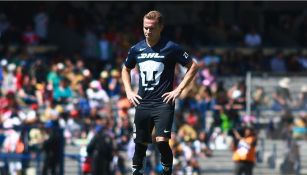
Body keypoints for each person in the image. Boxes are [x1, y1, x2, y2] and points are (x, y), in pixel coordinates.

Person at [121, 10, 199, 175]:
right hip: (143, 102)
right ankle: (137, 172)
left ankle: (167, 170)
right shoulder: (136, 49)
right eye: (145, 28)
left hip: (163, 103)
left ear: (160, 28)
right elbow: (125, 69)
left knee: (162, 141)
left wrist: (178, 90)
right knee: (140, 143)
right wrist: (129, 91)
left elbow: (193, 66)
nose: (148, 31)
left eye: (151, 28)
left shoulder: (171, 47)